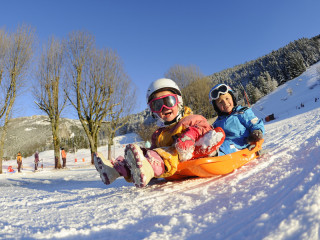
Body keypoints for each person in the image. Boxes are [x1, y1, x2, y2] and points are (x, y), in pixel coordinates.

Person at [95, 78, 225, 187]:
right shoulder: (159, 134)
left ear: (178, 101)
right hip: (166, 164)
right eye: (157, 106)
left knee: (166, 153)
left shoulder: (190, 119)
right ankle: (115, 170)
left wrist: (189, 136)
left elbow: (204, 127)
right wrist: (142, 154)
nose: (164, 108)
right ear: (153, 111)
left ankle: (147, 168)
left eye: (169, 101)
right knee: (144, 154)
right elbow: (153, 149)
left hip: (187, 154)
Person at [209, 84, 265, 155]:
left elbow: (254, 123)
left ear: (232, 98)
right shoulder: (217, 123)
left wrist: (257, 131)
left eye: (227, 98)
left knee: (226, 145)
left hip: (243, 144)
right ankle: (208, 154)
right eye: (220, 102)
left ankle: (215, 154)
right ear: (216, 107)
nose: (225, 103)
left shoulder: (242, 112)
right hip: (226, 145)